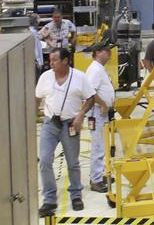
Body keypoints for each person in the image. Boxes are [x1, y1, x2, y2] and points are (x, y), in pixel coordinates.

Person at [35, 47, 95, 215]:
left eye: (54, 60)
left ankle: (76, 194)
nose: (51, 63)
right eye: (50, 60)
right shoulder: (45, 77)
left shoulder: (79, 78)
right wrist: (34, 117)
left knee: (73, 162)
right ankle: (49, 199)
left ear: (65, 61)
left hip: (70, 124)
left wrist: (80, 115)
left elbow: (90, 98)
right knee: (45, 160)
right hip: (50, 124)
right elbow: (37, 97)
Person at [85, 40, 115, 193]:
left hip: (102, 112)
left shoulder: (99, 68)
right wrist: (103, 104)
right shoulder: (95, 70)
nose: (109, 53)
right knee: (98, 146)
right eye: (106, 51)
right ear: (97, 53)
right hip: (97, 112)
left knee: (103, 145)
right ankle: (95, 180)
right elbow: (90, 91)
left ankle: (100, 173)